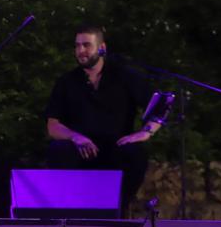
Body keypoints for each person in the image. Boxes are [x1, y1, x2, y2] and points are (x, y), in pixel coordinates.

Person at [44, 25, 161, 214]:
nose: (81, 51)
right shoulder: (66, 82)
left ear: (102, 48)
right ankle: (70, 212)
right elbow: (53, 125)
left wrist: (145, 133)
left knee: (134, 153)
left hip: (116, 147)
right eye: (77, 46)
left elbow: (160, 108)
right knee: (58, 149)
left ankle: (119, 209)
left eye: (86, 45)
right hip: (82, 149)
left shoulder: (125, 76)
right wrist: (75, 137)